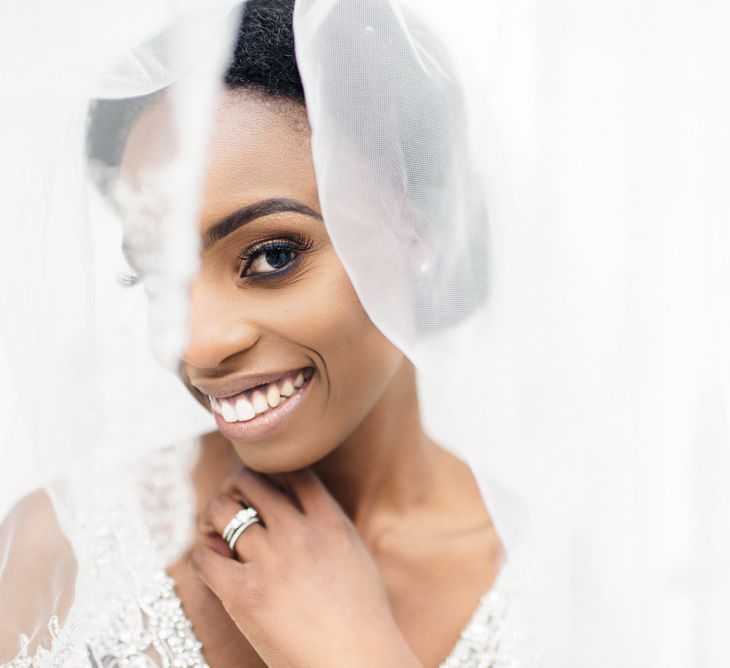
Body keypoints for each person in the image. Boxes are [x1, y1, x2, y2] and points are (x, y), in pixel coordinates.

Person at [0, 1, 529, 666]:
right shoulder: (59, 548)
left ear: (418, 227)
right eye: (160, 277)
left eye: (272, 255)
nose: (195, 344)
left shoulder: (551, 586)